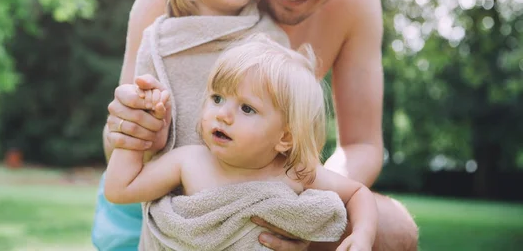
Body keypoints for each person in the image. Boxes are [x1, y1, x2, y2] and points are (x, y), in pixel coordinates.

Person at [97, 0, 419, 250]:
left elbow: (361, 145)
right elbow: (116, 143)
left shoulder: (356, 1)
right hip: (163, 196)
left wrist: (298, 199)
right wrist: (131, 129)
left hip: (271, 188)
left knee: (395, 231)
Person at [92, 0, 289, 250]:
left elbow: (294, 129)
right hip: (172, 210)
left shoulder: (270, 38)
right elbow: (134, 144)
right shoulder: (159, 40)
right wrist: (149, 126)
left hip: (250, 207)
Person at [105, 37, 378, 251]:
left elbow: (357, 194)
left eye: (247, 109)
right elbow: (120, 189)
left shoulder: (294, 173)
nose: (222, 114)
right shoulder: (189, 161)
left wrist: (362, 237)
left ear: (285, 137)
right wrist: (137, 131)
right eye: (217, 98)